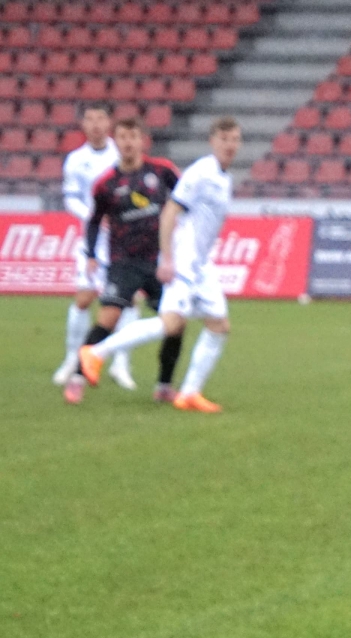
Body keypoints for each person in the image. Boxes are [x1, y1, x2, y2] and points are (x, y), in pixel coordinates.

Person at [78, 118, 240, 412]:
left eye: (234, 140)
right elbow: (170, 212)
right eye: (224, 139)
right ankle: (97, 352)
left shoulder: (223, 176)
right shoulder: (201, 172)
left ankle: (189, 393)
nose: (229, 145)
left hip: (201, 263)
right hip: (184, 259)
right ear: (212, 141)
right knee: (171, 323)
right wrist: (167, 259)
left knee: (219, 324)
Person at [62, 117, 178, 406]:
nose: (128, 142)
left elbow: (184, 200)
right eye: (123, 137)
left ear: (142, 140)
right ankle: (77, 377)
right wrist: (91, 254)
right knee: (108, 318)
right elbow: (94, 221)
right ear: (117, 141)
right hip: (123, 261)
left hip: (158, 261)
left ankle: (164, 385)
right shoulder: (106, 184)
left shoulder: (162, 171)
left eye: (133, 136)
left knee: (175, 323)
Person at [52, 102, 137, 392]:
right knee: (84, 299)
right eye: (90, 119)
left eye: (101, 118)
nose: (96, 124)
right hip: (92, 241)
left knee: (128, 302)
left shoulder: (120, 154)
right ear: (83, 124)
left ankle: (121, 363)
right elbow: (70, 198)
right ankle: (71, 358)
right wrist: (93, 216)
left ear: (109, 122)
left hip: (122, 241)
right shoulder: (76, 160)